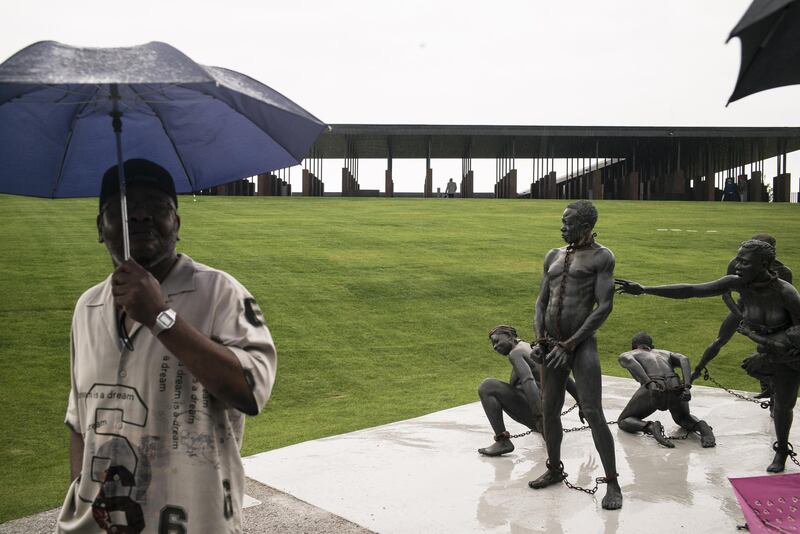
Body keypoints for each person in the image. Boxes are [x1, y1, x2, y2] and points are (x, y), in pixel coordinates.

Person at [57, 159, 277, 533]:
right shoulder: (87, 308)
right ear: (100, 227)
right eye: (123, 208)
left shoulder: (219, 293)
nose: (140, 215)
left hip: (197, 521)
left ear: (177, 222)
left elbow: (251, 391)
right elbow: (80, 417)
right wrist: (81, 491)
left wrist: (161, 317)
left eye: (157, 206)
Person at [616, 239, 800, 472]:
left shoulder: (785, 293)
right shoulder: (738, 283)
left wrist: (771, 354)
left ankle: (782, 450)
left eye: (744, 262)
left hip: (788, 353)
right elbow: (693, 290)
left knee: (784, 404)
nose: (737, 266)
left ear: (764, 263)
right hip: (767, 347)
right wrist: (645, 289)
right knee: (777, 396)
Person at [528, 200, 623, 510]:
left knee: (593, 411)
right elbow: (541, 302)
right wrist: (540, 338)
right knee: (549, 409)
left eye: (568, 223)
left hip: (581, 345)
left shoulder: (602, 257)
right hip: (551, 344)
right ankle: (554, 469)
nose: (562, 227)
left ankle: (612, 482)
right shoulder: (553, 255)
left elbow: (604, 306)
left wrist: (570, 344)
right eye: (562, 221)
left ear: (585, 227)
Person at [691, 234, 792, 401]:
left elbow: (785, 303)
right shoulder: (738, 263)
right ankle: (696, 371)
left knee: (768, 350)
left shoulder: (783, 272)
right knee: (720, 340)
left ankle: (771, 391)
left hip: (767, 316)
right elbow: (726, 294)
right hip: (742, 307)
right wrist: (740, 315)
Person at [478, 325, 581, 456]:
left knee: (487, 386)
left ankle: (502, 441)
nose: (495, 347)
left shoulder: (515, 353)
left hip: (539, 414)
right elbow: (564, 376)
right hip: (550, 413)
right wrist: (581, 403)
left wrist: (539, 417)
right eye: (493, 344)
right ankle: (541, 422)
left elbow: (528, 381)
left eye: (497, 341)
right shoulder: (532, 348)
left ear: (510, 336)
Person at [617, 332, 715, 448]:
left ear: (633, 346)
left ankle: (650, 427)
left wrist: (649, 383)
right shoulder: (664, 353)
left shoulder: (629, 354)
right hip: (675, 384)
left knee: (624, 420)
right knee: (683, 418)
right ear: (651, 346)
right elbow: (684, 359)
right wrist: (687, 386)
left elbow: (630, 361)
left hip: (655, 385)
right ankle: (700, 426)